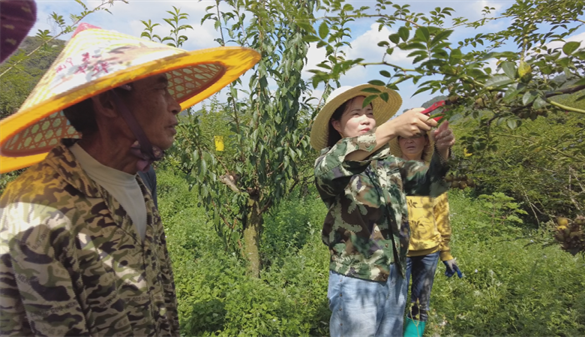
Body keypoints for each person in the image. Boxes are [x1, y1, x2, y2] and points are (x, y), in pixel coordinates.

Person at [0, 24, 259, 336]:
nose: (177, 106)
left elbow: (160, 292)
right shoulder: (35, 210)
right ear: (108, 104)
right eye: (161, 89)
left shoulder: (137, 180)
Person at [310, 84, 456, 337]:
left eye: (369, 112)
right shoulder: (328, 162)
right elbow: (334, 166)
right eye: (355, 114)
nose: (366, 118)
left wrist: (441, 149)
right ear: (336, 125)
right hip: (357, 277)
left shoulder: (388, 164)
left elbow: (431, 184)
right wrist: (392, 127)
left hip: (395, 274)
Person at [390, 132, 462, 337]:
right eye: (404, 137)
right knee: (394, 302)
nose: (410, 140)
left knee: (419, 301)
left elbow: (442, 215)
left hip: (428, 251)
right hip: (398, 252)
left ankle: (412, 334)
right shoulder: (390, 174)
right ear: (398, 142)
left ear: (426, 142)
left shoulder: (434, 177)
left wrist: (445, 253)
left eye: (416, 136)